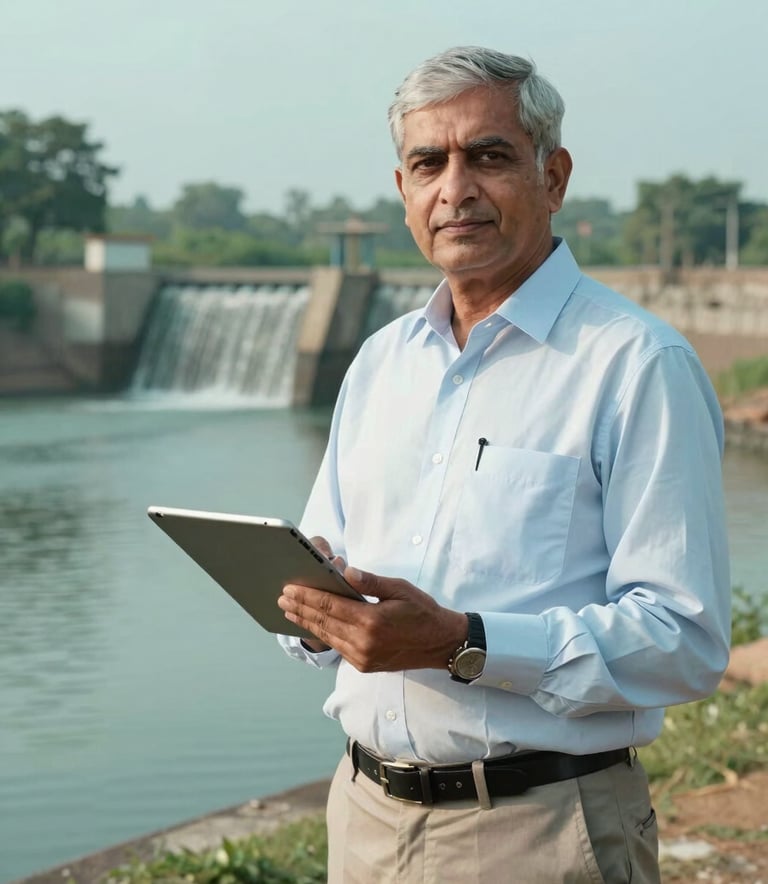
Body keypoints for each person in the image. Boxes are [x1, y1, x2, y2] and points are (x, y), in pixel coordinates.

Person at [277, 46, 730, 883]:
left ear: (552, 177)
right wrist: (315, 608)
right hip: (365, 818)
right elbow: (327, 557)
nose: (456, 189)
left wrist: (462, 643)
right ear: (404, 191)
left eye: (488, 156)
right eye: (428, 163)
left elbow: (684, 641)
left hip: (543, 831)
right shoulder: (382, 363)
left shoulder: (633, 364)